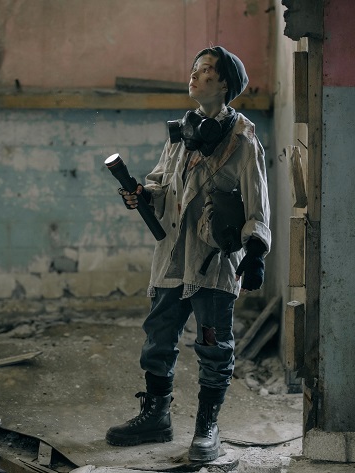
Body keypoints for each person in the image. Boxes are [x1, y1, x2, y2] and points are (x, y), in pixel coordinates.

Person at [105, 46, 271, 463]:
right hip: (172, 255)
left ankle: (206, 429)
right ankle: (156, 416)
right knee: (158, 339)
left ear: (226, 84)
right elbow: (162, 182)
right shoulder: (182, 131)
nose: (195, 76)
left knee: (214, 347)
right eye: (194, 69)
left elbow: (257, 204)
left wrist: (256, 253)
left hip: (213, 260)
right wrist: (144, 193)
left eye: (206, 71)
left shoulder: (243, 139)